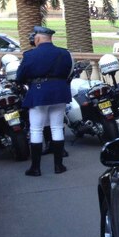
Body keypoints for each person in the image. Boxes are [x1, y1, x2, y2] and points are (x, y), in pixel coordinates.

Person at [15, 26, 73, 176]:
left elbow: (19, 76)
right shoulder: (64, 53)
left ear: (38, 38)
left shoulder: (30, 55)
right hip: (60, 92)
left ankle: (36, 168)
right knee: (57, 127)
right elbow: (69, 72)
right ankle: (59, 166)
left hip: (39, 92)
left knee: (36, 129)